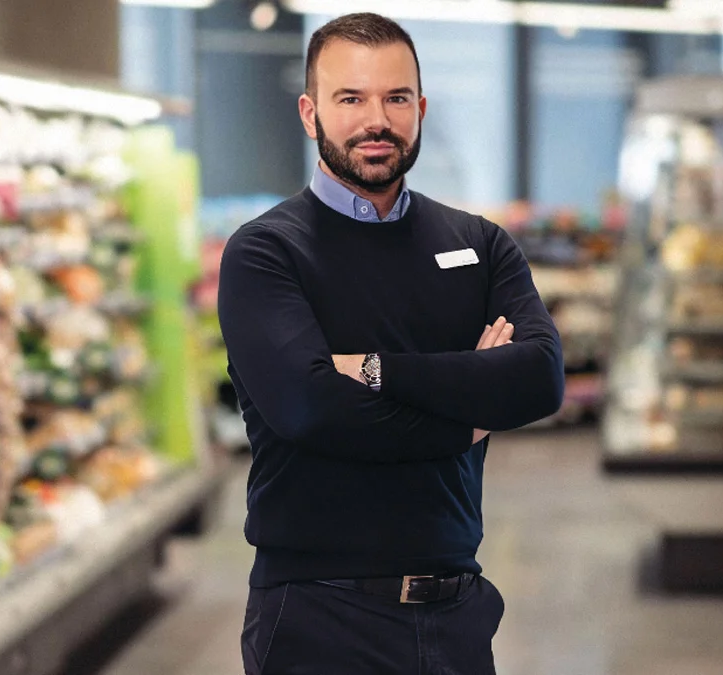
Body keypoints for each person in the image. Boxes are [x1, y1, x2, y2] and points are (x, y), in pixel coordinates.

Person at [218, 12, 564, 675]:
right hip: (318, 614)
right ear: (310, 113)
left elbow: (540, 378)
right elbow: (312, 408)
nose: (376, 120)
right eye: (350, 98)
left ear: (420, 109)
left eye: (396, 98)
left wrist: (375, 371)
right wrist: (468, 410)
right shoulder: (266, 253)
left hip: (456, 610)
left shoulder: (480, 244)